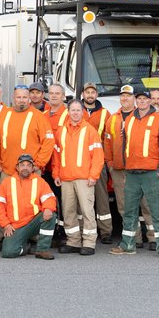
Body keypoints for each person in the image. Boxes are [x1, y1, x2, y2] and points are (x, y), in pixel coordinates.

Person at [111, 89, 159, 258]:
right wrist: (126, 167)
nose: (142, 101)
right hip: (132, 173)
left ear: (150, 101)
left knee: (158, 210)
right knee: (129, 211)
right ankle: (127, 244)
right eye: (139, 99)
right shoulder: (129, 120)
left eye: (145, 99)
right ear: (135, 100)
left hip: (152, 173)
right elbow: (125, 145)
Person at [53, 98, 104, 255]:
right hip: (66, 178)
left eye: (78, 110)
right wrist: (56, 173)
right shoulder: (61, 131)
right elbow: (56, 156)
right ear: (68, 112)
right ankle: (73, 241)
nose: (75, 113)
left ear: (82, 112)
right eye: (72, 110)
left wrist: (93, 175)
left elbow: (98, 156)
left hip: (84, 178)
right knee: (68, 212)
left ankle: (89, 243)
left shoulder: (90, 131)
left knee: (87, 211)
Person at [0, 154, 58, 260]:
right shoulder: (7, 183)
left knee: (51, 216)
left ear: (33, 168)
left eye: (28, 165)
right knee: (8, 253)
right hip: (15, 226)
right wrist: (6, 225)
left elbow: (49, 198)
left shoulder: (39, 181)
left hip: (33, 222)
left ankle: (42, 250)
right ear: (17, 167)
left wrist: (48, 208)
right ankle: (26, 248)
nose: (25, 168)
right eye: (22, 165)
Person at [78, 82, 114, 243]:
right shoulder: (76, 111)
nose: (90, 95)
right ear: (83, 94)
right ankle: (82, 229)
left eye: (93, 92)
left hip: (98, 162)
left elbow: (109, 138)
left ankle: (105, 231)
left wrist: (107, 160)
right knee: (81, 198)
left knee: (102, 197)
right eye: (87, 92)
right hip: (79, 162)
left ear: (97, 95)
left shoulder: (105, 113)